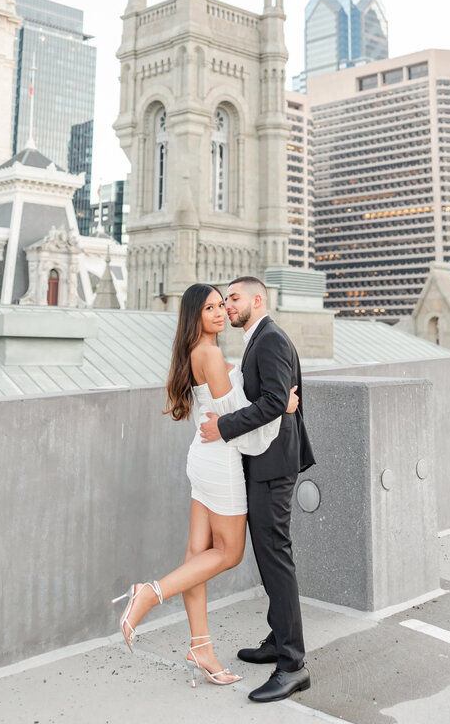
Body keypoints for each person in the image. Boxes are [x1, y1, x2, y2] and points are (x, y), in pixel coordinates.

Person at [111, 283, 299, 688]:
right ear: (195, 314)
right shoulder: (211, 354)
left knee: (197, 554)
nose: (219, 313)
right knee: (228, 554)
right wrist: (280, 406)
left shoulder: (192, 353)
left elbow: (221, 417)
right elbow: (236, 425)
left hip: (201, 458)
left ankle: (201, 647)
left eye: (222, 305)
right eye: (210, 307)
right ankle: (149, 593)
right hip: (220, 461)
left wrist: (243, 416)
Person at [199, 276, 315, 703]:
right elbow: (274, 399)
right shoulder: (256, 338)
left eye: (233, 298)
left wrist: (222, 427)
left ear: (256, 299)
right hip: (264, 461)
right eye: (224, 300)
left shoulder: (269, 339)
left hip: (273, 466)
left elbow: (272, 401)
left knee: (275, 556)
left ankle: (293, 665)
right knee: (268, 557)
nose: (227, 306)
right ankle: (278, 637)